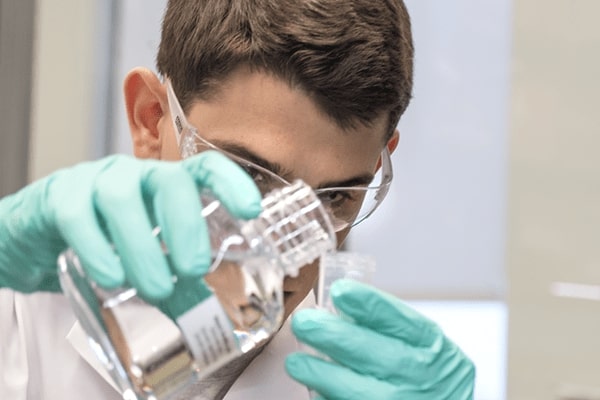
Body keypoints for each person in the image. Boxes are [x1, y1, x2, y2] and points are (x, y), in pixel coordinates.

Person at [0, 0, 475, 399]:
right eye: (247, 175)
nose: (284, 255)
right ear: (151, 121)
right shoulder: (18, 314)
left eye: (335, 199)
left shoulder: (360, 383)